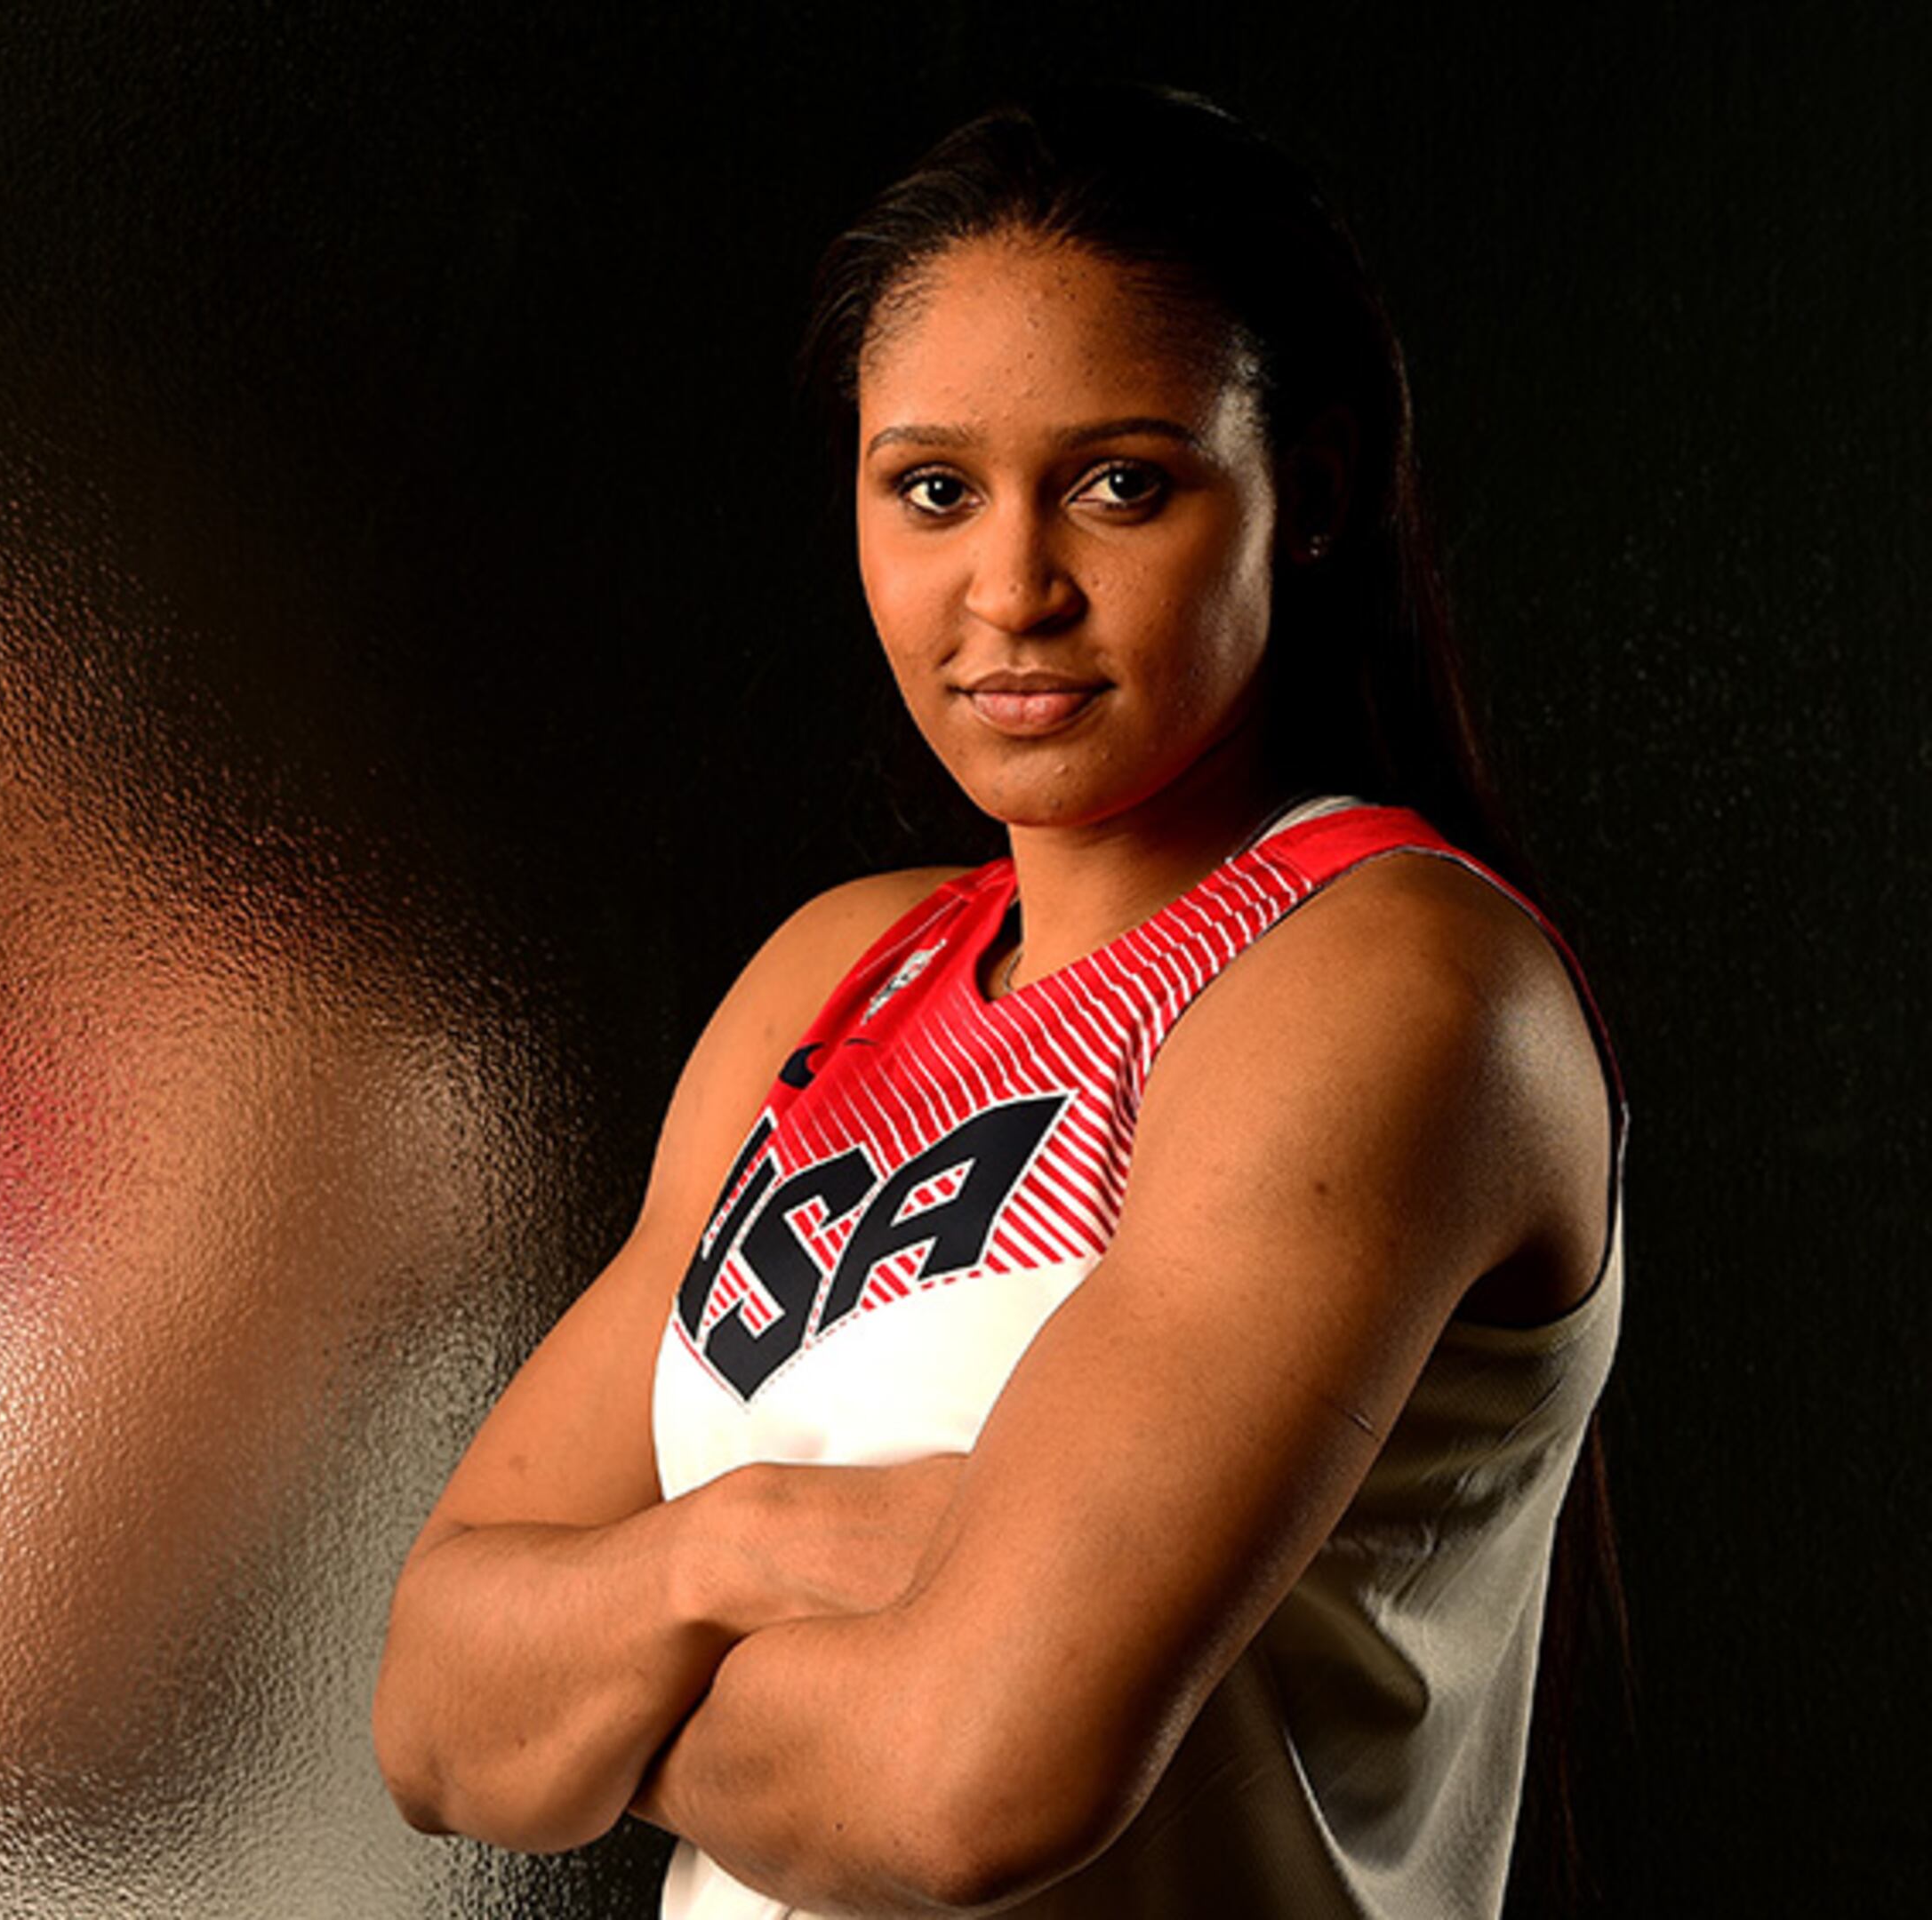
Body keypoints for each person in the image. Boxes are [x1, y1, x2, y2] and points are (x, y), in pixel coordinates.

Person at [370, 86, 1620, 1918]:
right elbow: (428, 1709)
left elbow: (974, 1785)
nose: (1013, 588)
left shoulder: (1390, 977)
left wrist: (614, 1690)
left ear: (1316, 492)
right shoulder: (833, 975)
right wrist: (748, 1546)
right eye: (934, 490)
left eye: (1123, 482)